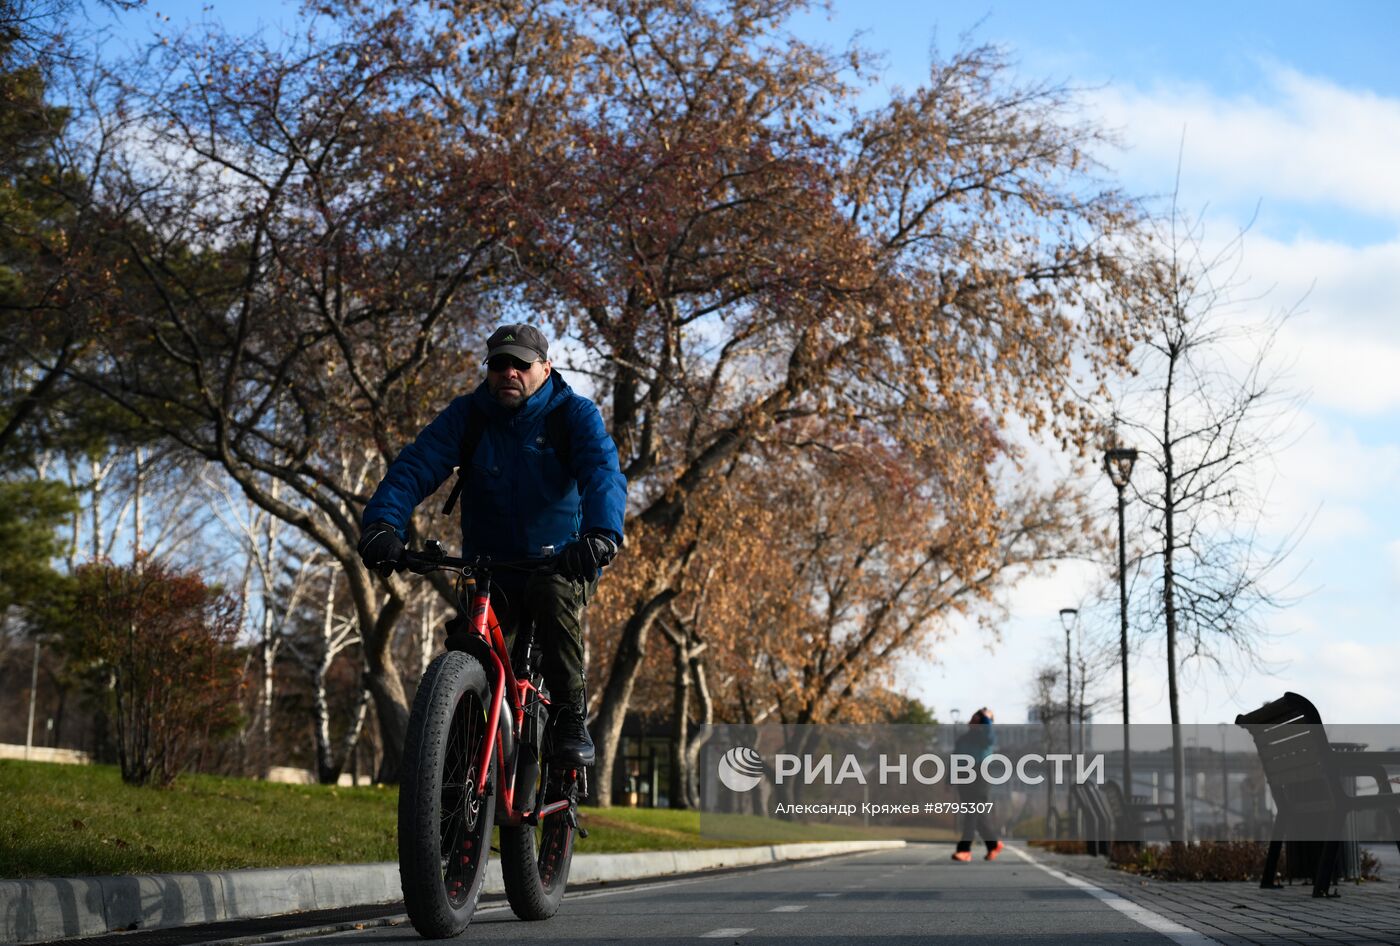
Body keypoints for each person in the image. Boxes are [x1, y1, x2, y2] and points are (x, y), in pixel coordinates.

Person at [357, 324, 627, 767]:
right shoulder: (470, 415)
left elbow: (603, 471)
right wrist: (383, 524)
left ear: (545, 366)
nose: (509, 373)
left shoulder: (573, 415)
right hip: (488, 567)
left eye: (521, 364)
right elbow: (416, 466)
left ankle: (569, 716)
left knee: (551, 593)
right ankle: (457, 765)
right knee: (468, 647)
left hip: (560, 562)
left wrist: (600, 535)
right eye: (499, 364)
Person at [951, 707, 1004, 861]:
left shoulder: (986, 737)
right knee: (978, 816)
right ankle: (993, 844)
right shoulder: (963, 738)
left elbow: (989, 737)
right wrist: (950, 778)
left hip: (980, 777)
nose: (976, 719)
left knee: (972, 813)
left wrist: (986, 718)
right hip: (963, 776)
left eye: (981, 718)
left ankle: (964, 849)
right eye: (976, 716)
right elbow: (955, 758)